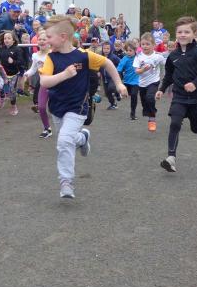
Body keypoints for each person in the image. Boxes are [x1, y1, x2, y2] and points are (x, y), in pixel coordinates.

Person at [39, 15, 126, 199]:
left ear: (63, 37)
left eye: (49, 37)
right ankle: (82, 138)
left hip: (77, 107)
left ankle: (66, 182)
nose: (46, 40)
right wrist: (64, 75)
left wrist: (119, 83)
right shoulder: (51, 58)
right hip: (57, 107)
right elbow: (44, 82)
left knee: (64, 142)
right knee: (68, 139)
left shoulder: (84, 56)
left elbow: (108, 63)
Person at [156, 16, 197, 173]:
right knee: (175, 123)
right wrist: (161, 89)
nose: (182, 35)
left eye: (186, 32)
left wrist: (195, 84)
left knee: (196, 129)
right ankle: (171, 158)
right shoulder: (173, 55)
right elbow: (169, 76)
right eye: (180, 32)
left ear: (194, 34)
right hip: (179, 97)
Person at [134, 32, 165, 132]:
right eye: (143, 44)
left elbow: (166, 63)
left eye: (147, 44)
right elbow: (137, 71)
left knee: (150, 98)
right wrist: (143, 70)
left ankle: (152, 118)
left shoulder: (157, 56)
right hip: (142, 83)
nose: (145, 46)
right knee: (145, 101)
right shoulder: (139, 57)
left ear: (153, 45)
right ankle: (148, 111)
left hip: (154, 81)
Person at [24, 30, 52, 138]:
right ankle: (47, 128)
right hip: (43, 84)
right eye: (39, 39)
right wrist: (26, 75)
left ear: (49, 42)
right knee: (41, 107)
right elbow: (33, 69)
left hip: (56, 84)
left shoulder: (53, 54)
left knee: (56, 108)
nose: (41, 41)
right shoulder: (35, 55)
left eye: (44, 39)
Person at [0, 31, 26, 115]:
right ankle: (2, 98)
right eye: (5, 38)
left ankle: (13, 106)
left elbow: (21, 62)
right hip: (3, 73)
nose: (6, 40)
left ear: (13, 40)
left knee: (12, 91)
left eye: (9, 38)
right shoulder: (1, 48)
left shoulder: (17, 49)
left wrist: (13, 61)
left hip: (14, 74)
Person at [117, 39, 140, 120]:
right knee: (124, 93)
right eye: (127, 50)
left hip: (136, 81)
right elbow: (119, 70)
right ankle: (118, 94)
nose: (128, 52)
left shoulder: (138, 58)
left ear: (135, 50)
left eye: (130, 50)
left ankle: (133, 113)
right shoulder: (124, 59)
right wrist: (119, 81)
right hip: (126, 81)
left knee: (134, 95)